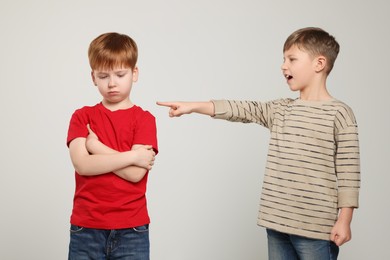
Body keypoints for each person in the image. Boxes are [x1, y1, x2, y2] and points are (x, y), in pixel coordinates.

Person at [157, 27, 360, 259]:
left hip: (315, 228)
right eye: (284, 59)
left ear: (319, 63)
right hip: (276, 222)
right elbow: (242, 109)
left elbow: (349, 172)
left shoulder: (339, 114)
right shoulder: (281, 109)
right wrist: (193, 106)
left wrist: (344, 220)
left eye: (292, 59)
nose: (284, 66)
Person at [66, 32, 158, 260]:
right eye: (103, 75)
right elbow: (82, 165)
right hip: (86, 228)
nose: (112, 83)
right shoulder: (82, 116)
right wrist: (132, 156)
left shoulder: (145, 119)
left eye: (120, 74)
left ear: (134, 73)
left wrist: (96, 147)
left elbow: (136, 173)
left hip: (132, 230)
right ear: (93, 77)